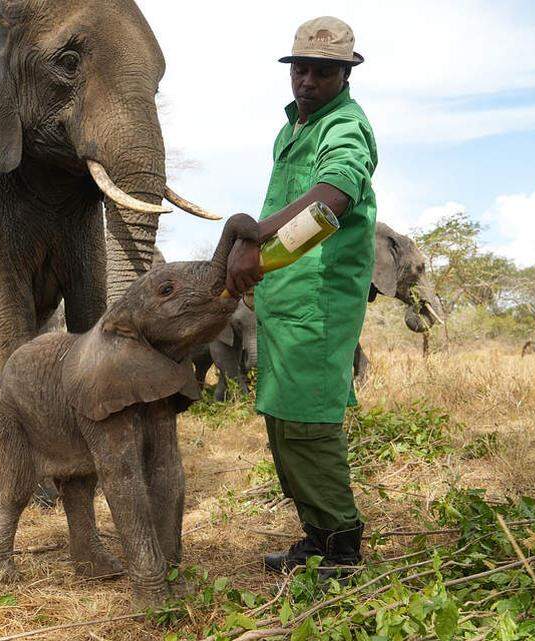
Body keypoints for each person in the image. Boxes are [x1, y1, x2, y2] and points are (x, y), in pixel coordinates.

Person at [225, 16, 378, 577]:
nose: (308, 81)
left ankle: (341, 547)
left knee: (308, 423)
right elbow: (300, 220)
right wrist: (260, 267)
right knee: (283, 423)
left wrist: (255, 237)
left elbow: (334, 196)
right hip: (284, 301)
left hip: (319, 301)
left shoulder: (345, 126)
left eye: (323, 72)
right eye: (300, 69)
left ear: (346, 76)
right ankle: (316, 537)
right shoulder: (291, 130)